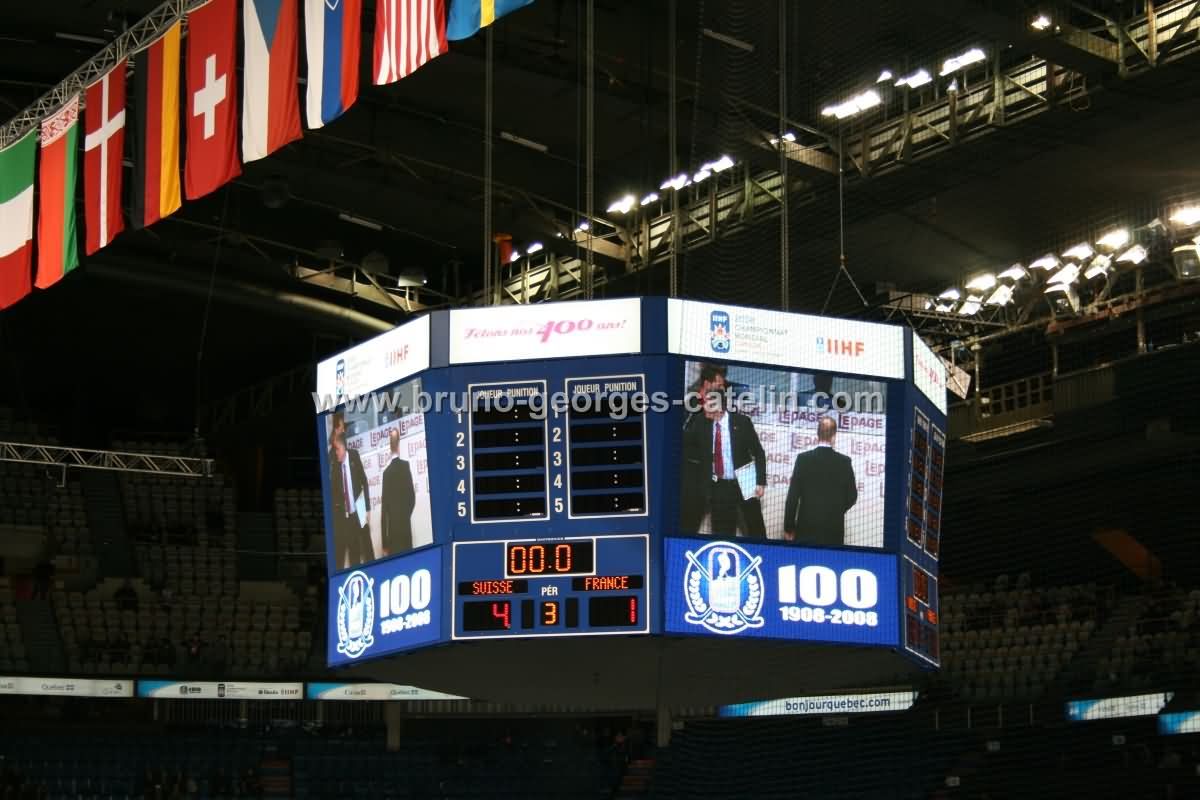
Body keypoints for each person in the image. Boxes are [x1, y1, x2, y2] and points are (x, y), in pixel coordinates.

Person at [680, 364, 767, 538]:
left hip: (746, 478)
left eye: (709, 406)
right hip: (720, 485)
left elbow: (759, 452)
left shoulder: (742, 422)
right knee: (723, 532)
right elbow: (684, 442)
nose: (705, 409)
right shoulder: (701, 423)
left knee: (755, 528)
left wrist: (760, 481)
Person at [783, 415, 858, 546]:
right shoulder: (844, 462)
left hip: (806, 526)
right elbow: (852, 496)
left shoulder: (803, 459)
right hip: (833, 528)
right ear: (834, 436)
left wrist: (788, 527)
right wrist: (835, 510)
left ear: (817, 434)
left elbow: (792, 497)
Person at [329, 431, 374, 568]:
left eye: (337, 449)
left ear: (344, 448)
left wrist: (367, 508)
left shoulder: (354, 455)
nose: (336, 452)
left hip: (360, 507)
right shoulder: (335, 467)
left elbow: (364, 481)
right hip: (347, 515)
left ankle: (374, 568)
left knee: (367, 544)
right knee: (354, 551)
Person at [380, 428, 417, 556]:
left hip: (393, 533)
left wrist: (384, 543)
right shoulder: (406, 466)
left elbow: (384, 510)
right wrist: (405, 516)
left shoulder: (386, 473)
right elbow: (412, 498)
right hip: (405, 528)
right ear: (398, 445)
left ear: (390, 446)